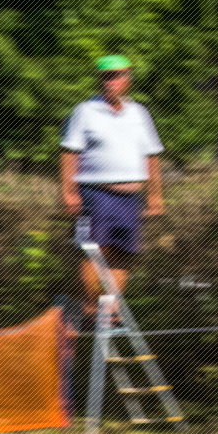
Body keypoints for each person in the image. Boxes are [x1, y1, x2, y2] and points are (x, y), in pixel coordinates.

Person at [60, 54, 165, 323]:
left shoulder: (140, 113)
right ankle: (89, 307)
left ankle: (111, 308)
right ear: (99, 79)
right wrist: (68, 192)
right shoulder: (85, 111)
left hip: (131, 197)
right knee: (95, 251)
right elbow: (69, 152)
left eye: (117, 76)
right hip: (96, 194)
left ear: (127, 79)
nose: (111, 81)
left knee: (124, 254)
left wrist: (155, 195)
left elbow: (152, 155)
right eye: (106, 76)